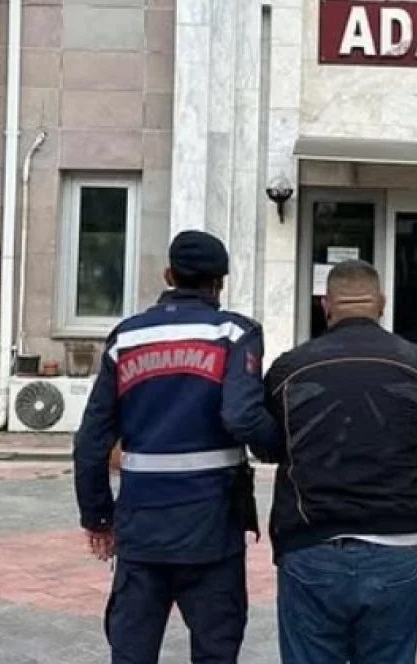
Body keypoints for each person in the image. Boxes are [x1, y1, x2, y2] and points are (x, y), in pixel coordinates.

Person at [73, 230, 281, 664]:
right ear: (219, 282)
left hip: (141, 525)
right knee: (216, 652)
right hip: (212, 527)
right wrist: (278, 447)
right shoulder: (233, 333)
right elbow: (242, 416)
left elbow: (91, 439)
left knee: (131, 652)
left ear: (168, 275)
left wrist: (98, 517)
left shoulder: (126, 338)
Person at [263, 259, 417, 664]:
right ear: (381, 303)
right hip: (399, 547)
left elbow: (268, 441)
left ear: (325, 305)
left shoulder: (289, 368)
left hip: (311, 546)